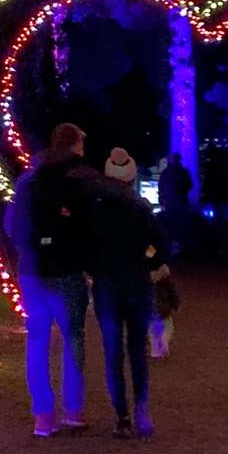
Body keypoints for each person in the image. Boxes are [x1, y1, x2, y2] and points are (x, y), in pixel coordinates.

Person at [4, 122, 98, 437]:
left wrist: (31, 248)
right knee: (73, 340)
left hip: (32, 270)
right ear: (75, 145)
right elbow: (90, 228)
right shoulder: (80, 179)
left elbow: (12, 225)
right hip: (68, 270)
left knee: (38, 340)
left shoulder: (28, 180)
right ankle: (73, 410)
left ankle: (42, 416)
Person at [82, 148, 170, 438]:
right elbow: (160, 244)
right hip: (136, 282)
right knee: (137, 350)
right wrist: (148, 262)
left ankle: (121, 416)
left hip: (107, 284)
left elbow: (87, 247)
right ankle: (142, 408)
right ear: (133, 177)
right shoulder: (141, 206)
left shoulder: (96, 207)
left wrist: (94, 268)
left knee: (113, 352)